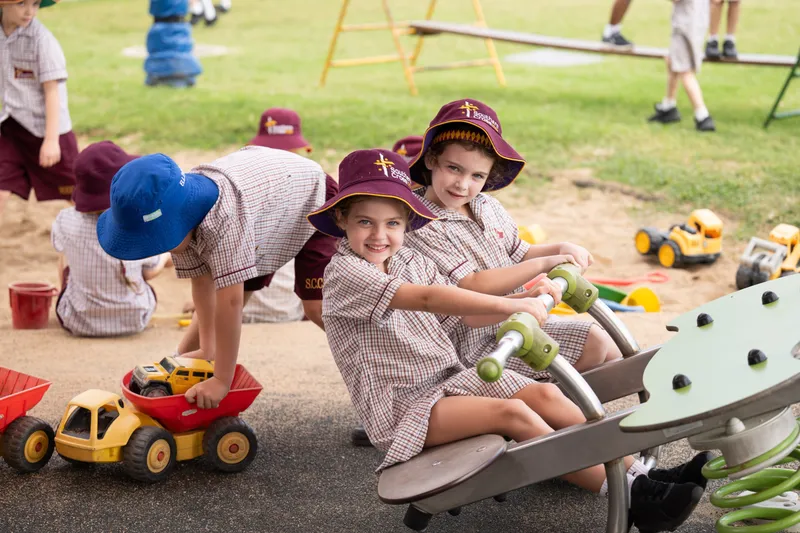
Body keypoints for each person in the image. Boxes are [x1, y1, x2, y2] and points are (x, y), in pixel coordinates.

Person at [313, 148, 709, 533]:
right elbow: (429, 299)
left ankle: (642, 475)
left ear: (407, 222)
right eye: (365, 222)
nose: (380, 235)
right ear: (342, 217)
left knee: (545, 395)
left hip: (450, 380)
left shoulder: (410, 260)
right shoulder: (346, 273)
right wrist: (513, 306)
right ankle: (635, 498)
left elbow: (465, 315)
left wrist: (525, 297)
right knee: (514, 414)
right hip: (403, 408)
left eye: (393, 223)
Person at [97, 146, 338, 408]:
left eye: (156, 241)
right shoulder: (181, 211)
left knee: (316, 307)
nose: (158, 248)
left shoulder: (224, 220)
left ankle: (368, 354)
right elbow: (202, 283)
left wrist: (222, 380)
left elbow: (231, 303)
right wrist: (206, 350)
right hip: (263, 212)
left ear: (177, 222)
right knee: (208, 328)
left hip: (311, 199)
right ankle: (178, 367)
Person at [404, 99, 622, 383]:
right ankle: (539, 397)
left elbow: (520, 252)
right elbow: (472, 283)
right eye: (454, 168)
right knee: (595, 342)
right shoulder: (421, 222)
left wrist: (560, 248)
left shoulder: (486, 206)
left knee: (613, 351)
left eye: (477, 175)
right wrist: (544, 264)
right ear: (431, 160)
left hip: (522, 316)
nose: (463, 184)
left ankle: (561, 392)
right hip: (480, 339)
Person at [53, 141, 168, 337]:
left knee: (64, 252)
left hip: (77, 321)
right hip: (135, 320)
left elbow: (61, 249)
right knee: (141, 269)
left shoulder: (65, 219)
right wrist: (165, 257)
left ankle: (75, 296)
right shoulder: (137, 223)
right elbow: (149, 273)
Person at [0, 0, 78, 222]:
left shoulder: (42, 41)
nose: (30, 11)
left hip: (48, 130)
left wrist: (51, 141)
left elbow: (52, 92)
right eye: (21, 3)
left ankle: (110, 236)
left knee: (78, 195)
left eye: (35, 3)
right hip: (12, 125)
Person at [647, 0, 716, 132]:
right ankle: (668, 106)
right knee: (672, 61)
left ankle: (703, 116)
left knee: (685, 71)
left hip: (685, 24)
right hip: (697, 22)